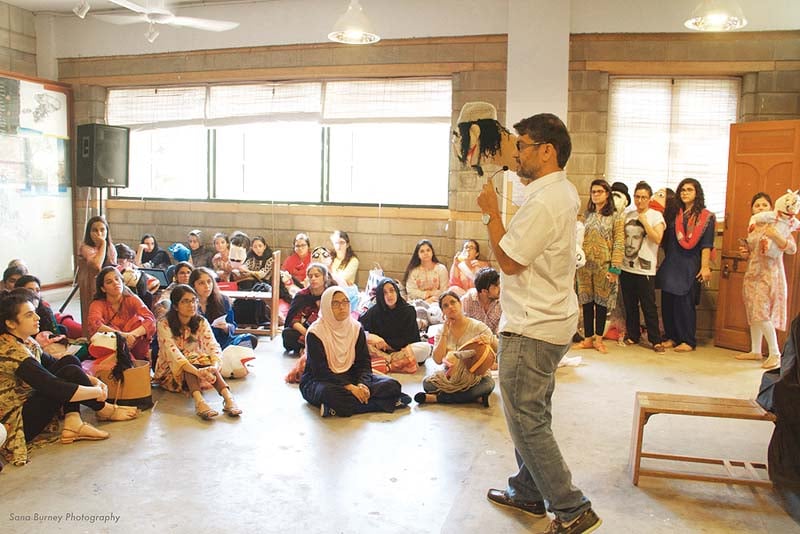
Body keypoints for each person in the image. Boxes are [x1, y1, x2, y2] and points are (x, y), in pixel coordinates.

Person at [477, 113, 601, 533]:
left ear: (547, 151)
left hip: (532, 327)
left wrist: (491, 214)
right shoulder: (558, 192)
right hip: (552, 318)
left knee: (526, 420)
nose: (516, 153)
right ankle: (528, 490)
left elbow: (509, 262)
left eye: (523, 146)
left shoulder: (546, 200)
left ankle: (571, 508)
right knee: (534, 412)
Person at [0, 289, 138, 466]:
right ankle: (103, 409)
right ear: (11, 323)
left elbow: (54, 365)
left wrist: (95, 381)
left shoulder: (25, 340)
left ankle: (74, 420)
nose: (37, 317)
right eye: (29, 315)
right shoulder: (10, 350)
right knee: (66, 374)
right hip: (15, 425)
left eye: (34, 312)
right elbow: (51, 385)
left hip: (29, 403)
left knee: (69, 361)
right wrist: (96, 392)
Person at [299, 286, 411, 417]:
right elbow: (320, 371)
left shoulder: (356, 328)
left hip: (350, 375)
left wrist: (362, 385)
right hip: (321, 380)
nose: (342, 307)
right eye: (335, 303)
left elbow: (363, 363)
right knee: (330, 394)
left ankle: (335, 409)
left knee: (392, 385)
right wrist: (351, 388)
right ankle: (386, 403)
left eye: (345, 302)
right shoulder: (316, 333)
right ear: (326, 306)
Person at [153, 284, 242, 420]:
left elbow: (214, 346)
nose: (191, 305)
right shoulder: (164, 324)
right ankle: (199, 401)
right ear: (176, 306)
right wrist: (197, 371)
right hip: (171, 372)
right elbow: (174, 354)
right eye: (185, 301)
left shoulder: (201, 321)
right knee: (192, 358)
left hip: (200, 369)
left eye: (194, 300)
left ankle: (228, 398)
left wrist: (214, 367)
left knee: (203, 358)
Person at [736, 192, 797, 369]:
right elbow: (753, 250)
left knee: (762, 313)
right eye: (757, 205)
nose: (761, 208)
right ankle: (755, 350)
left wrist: (776, 236)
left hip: (770, 275)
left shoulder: (779, 225)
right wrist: (745, 252)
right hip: (752, 274)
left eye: (764, 205)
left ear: (771, 208)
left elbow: (792, 249)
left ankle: (775, 353)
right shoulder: (753, 227)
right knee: (753, 312)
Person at [656, 177, 715, 353]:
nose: (685, 193)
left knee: (684, 303)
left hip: (689, 263)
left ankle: (687, 340)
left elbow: (706, 245)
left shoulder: (706, 217)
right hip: (672, 261)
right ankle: (672, 336)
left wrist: (705, 267)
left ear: (697, 193)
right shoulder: (675, 213)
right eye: (682, 190)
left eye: (689, 190)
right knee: (668, 301)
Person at [415, 291, 496, 406]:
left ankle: (436, 399)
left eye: (453, 302)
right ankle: (473, 398)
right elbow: (438, 360)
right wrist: (444, 334)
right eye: (445, 306)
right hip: (451, 376)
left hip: (476, 376)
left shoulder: (478, 326)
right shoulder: (441, 331)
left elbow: (497, 347)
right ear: (442, 312)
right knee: (427, 384)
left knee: (487, 385)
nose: (450, 307)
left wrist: (489, 341)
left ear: (460, 304)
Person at [573, 179, 624, 354]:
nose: (596, 195)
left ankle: (599, 339)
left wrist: (615, 268)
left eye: (599, 192)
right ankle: (587, 339)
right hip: (585, 267)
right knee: (586, 302)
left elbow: (619, 243)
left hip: (605, 266)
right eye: (593, 192)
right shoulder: (587, 215)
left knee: (601, 304)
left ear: (607, 194)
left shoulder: (616, 217)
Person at [620, 181, 666, 353]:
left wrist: (645, 222)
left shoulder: (655, 216)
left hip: (645, 269)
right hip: (627, 267)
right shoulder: (628, 215)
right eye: (637, 197)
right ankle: (633, 334)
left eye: (643, 197)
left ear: (649, 198)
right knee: (629, 304)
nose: (640, 200)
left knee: (648, 305)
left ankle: (655, 340)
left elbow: (657, 239)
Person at [358, 278, 429, 373]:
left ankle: (385, 363)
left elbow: (411, 340)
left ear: (397, 291)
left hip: (401, 350)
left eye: (392, 290)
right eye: (384, 293)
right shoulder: (374, 312)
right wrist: (371, 336)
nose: (389, 295)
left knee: (425, 348)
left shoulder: (408, 311)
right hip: (381, 352)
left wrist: (386, 344)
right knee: (361, 343)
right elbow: (358, 327)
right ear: (380, 295)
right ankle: (396, 363)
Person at [86, 266, 156, 361]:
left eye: (117, 279)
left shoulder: (131, 299)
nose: (115, 283)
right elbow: (95, 325)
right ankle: (132, 366)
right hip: (111, 346)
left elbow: (150, 319)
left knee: (139, 321)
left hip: (134, 342)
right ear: (103, 289)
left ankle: (135, 363)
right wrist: (122, 336)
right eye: (109, 282)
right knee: (112, 331)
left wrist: (132, 335)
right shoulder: (97, 304)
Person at [189, 267, 257, 350]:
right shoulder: (189, 304)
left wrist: (226, 327)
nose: (207, 286)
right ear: (193, 285)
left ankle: (228, 354)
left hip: (223, 342)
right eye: (201, 283)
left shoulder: (223, 300)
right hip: (199, 344)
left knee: (250, 339)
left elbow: (232, 325)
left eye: (209, 282)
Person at [78, 216, 117, 336]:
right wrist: (103, 244)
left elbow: (113, 267)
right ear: (89, 232)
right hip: (91, 286)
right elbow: (96, 266)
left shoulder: (111, 247)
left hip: (108, 286)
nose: (99, 234)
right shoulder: (85, 247)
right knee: (93, 315)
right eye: (95, 230)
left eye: (102, 230)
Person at [282, 263, 332, 353]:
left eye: (317, 276)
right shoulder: (301, 296)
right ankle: (311, 347)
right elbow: (292, 320)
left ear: (324, 278)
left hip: (326, 331)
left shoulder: (331, 294)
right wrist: (308, 334)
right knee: (287, 334)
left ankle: (310, 348)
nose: (313, 279)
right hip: (306, 330)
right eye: (310, 276)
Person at [461, 267, 502, 334]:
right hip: (471, 339)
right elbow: (461, 324)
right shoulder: (468, 300)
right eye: (495, 286)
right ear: (484, 291)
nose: (500, 288)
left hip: (493, 341)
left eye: (499, 284)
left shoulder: (502, 302)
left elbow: (500, 331)